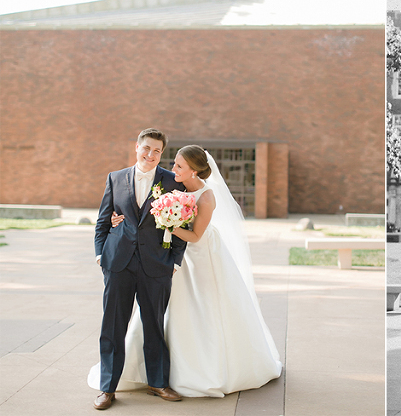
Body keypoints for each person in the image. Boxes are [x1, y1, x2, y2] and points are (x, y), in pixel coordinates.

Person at [88, 145, 282, 398]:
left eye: (179, 165)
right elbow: (134, 214)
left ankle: (180, 376)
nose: (172, 169)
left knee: (191, 313)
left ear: (193, 170)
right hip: (152, 260)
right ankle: (116, 384)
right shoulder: (171, 184)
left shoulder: (204, 195)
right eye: (174, 163)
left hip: (197, 256)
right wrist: (118, 224)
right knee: (157, 318)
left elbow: (196, 235)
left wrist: (167, 222)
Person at [92, 128, 187, 410]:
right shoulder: (115, 178)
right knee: (112, 327)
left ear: (162, 153)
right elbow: (102, 222)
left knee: (155, 326)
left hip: (157, 266)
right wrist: (100, 256)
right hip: (118, 264)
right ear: (136, 147)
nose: (150, 155)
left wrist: (175, 262)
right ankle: (107, 388)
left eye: (157, 151)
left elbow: (185, 225)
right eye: (146, 148)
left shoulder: (173, 182)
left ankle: (158, 382)